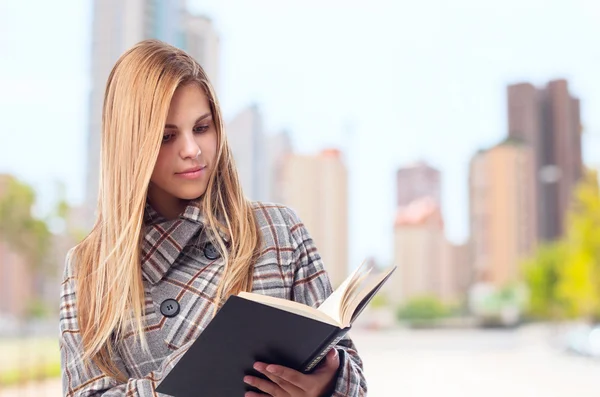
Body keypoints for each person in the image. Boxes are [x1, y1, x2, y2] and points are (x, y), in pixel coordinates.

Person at [59, 39, 367, 397]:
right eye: (166, 136)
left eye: (202, 128)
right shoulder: (90, 267)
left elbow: (351, 374)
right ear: (131, 146)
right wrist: (192, 376)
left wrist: (325, 386)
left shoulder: (279, 230)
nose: (191, 150)